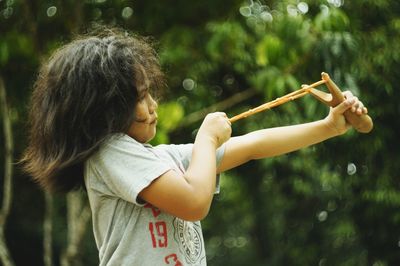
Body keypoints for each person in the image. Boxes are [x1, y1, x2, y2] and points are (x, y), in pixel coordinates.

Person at [21, 28, 368, 266]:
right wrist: (206, 138)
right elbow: (192, 202)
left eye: (150, 92)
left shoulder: (160, 159)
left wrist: (328, 127)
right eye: (140, 97)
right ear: (104, 109)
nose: (154, 104)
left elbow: (251, 146)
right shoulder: (108, 154)